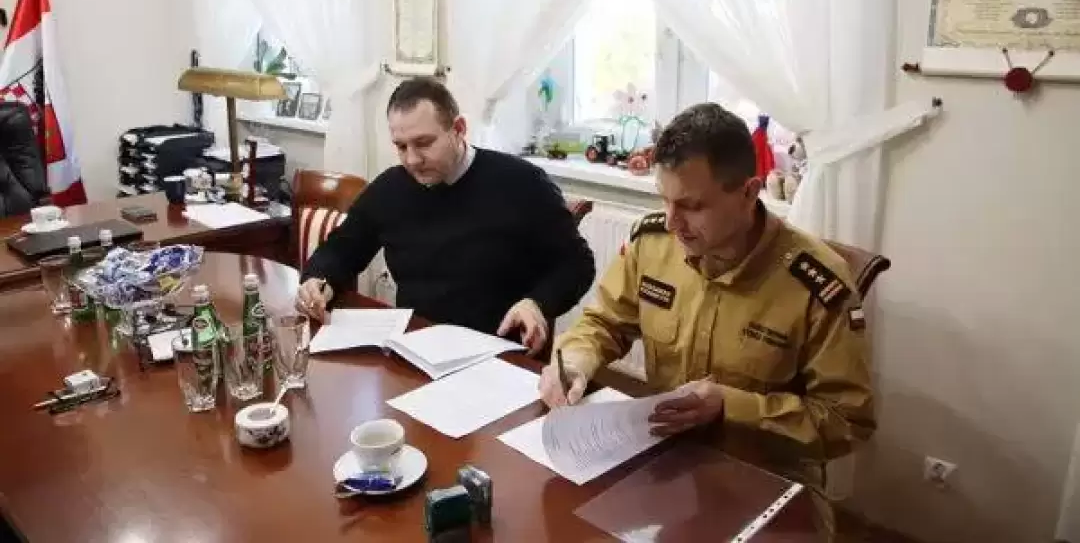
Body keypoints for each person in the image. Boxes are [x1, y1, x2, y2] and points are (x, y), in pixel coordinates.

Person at [539, 102, 874, 462]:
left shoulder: (816, 283)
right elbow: (604, 323)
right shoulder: (653, 244)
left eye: (692, 206)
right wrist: (574, 361)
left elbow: (845, 421)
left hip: (762, 472)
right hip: (667, 455)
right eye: (665, 200)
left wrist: (731, 406)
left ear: (749, 193)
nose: (671, 222)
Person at [296, 77, 595, 355]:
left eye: (424, 143)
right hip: (413, 347)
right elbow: (342, 248)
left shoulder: (522, 183)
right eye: (401, 147)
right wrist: (319, 282)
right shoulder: (390, 188)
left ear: (459, 129)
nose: (412, 160)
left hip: (496, 352)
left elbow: (577, 263)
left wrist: (537, 304)